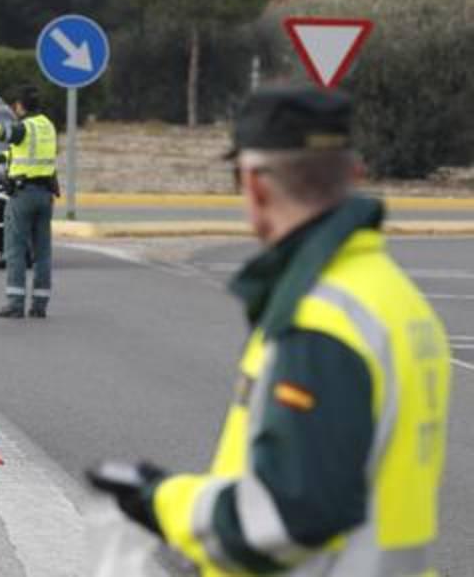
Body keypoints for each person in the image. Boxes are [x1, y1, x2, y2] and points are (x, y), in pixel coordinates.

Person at [88, 85, 451, 575]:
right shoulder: (395, 297)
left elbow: (290, 515)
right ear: (355, 174)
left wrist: (161, 501)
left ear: (255, 184)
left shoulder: (320, 319)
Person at [0, 85, 58, 318]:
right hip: (45, 194)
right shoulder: (47, 125)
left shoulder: (24, 127)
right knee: (42, 252)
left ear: (19, 106)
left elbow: (5, 133)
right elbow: (24, 153)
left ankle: (15, 303)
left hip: (23, 194)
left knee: (15, 249)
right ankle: (39, 305)